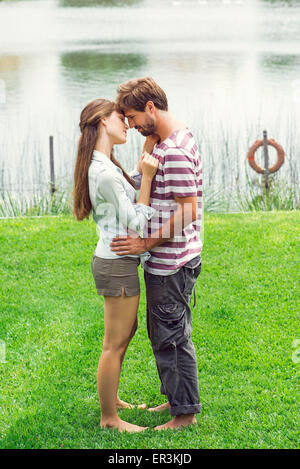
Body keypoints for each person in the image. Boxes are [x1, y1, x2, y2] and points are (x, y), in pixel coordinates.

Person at [110, 77, 203, 430]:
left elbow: (188, 210)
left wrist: (146, 244)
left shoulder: (175, 149)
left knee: (171, 336)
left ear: (151, 108)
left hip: (172, 262)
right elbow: (143, 181)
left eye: (133, 118)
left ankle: (185, 415)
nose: (131, 126)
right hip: (171, 260)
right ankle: (176, 400)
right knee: (166, 330)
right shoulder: (167, 140)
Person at [72, 98, 158, 433]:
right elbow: (136, 220)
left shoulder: (106, 164)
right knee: (114, 342)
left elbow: (127, 188)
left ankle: (114, 400)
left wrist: (144, 159)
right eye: (120, 118)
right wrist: (148, 178)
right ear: (102, 122)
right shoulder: (104, 172)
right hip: (116, 264)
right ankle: (109, 418)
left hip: (118, 261)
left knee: (126, 332)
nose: (126, 124)